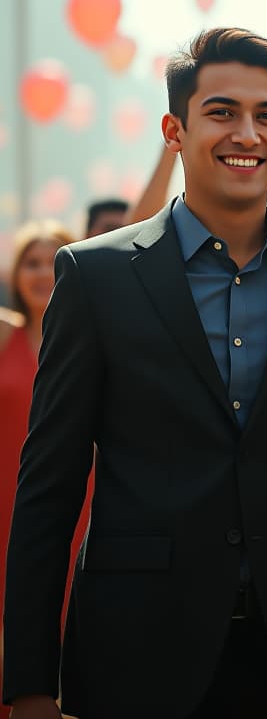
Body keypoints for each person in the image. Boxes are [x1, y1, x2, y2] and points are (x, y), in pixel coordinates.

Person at [3, 28, 267, 719]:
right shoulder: (94, 275)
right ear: (175, 129)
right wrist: (27, 684)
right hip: (136, 651)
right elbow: (47, 487)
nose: (247, 134)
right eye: (222, 112)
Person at [0, 221, 89, 719]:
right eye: (31, 262)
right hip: (7, 503)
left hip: (83, 499)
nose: (41, 273)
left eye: (53, 261)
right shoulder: (3, 336)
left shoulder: (97, 333)